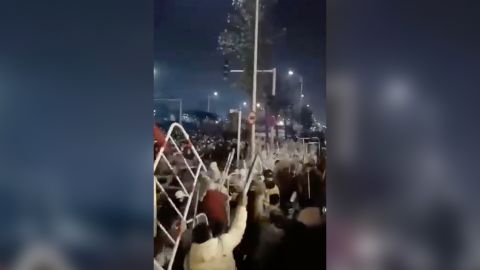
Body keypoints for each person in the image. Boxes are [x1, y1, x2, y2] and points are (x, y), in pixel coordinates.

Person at [186, 194, 248, 270]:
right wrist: (242, 206)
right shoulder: (222, 245)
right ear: (210, 235)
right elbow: (238, 230)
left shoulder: (190, 260)